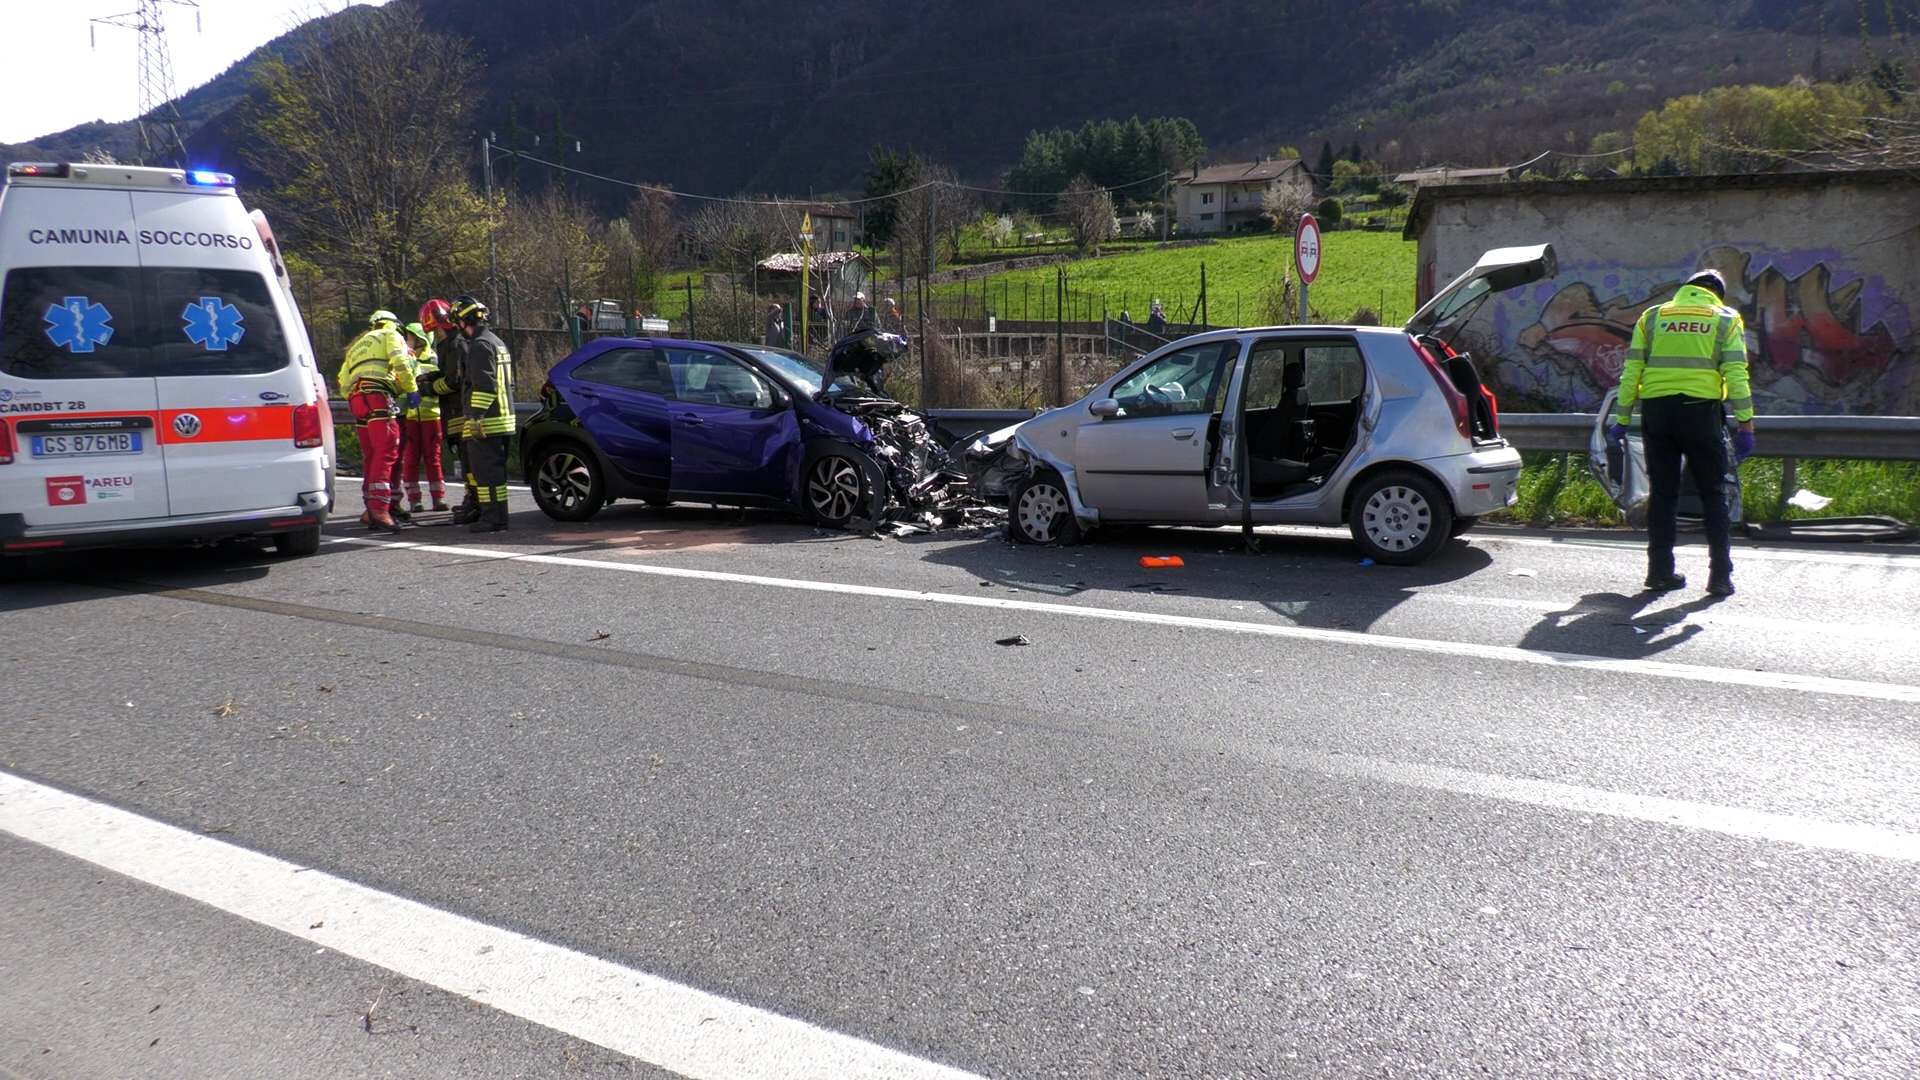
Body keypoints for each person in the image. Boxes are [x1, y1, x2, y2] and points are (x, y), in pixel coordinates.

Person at [1609, 268, 1754, 597]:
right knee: (1713, 494)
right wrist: (1745, 424)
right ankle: (1719, 576)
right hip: (1700, 415)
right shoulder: (1725, 318)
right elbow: (1736, 373)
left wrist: (1621, 417)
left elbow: (1631, 370)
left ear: (1686, 289)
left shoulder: (1653, 316)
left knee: (1662, 494)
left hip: (1657, 415)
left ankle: (1659, 572)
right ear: (1716, 293)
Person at [337, 309, 419, 533]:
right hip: (376, 397)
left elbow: (343, 384)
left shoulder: (355, 346)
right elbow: (400, 361)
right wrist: (411, 388)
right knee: (387, 449)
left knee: (371, 454)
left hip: (358, 400)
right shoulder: (389, 335)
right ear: (393, 324)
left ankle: (369, 508)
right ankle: (380, 509)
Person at [450, 295, 515, 533]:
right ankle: (497, 517)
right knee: (495, 477)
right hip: (502, 420)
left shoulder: (479, 345)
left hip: (488, 424)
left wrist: (475, 417)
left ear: (463, 321)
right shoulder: (497, 341)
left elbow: (485, 385)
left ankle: (493, 520)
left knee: (486, 477)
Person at [418, 299, 475, 520]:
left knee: (469, 460)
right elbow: (446, 372)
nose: (436, 335)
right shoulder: (448, 344)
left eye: (436, 331)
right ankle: (470, 498)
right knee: (464, 458)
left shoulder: (456, 344)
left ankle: (474, 502)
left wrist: (429, 388)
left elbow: (455, 381)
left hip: (460, 411)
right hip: (454, 412)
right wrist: (430, 376)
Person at [399, 321, 448, 513]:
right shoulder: (405, 359)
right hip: (411, 417)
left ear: (420, 340)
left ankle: (438, 499)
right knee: (410, 458)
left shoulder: (434, 360)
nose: (406, 340)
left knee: (432, 458)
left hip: (431, 416)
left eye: (409, 337)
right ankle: (414, 499)